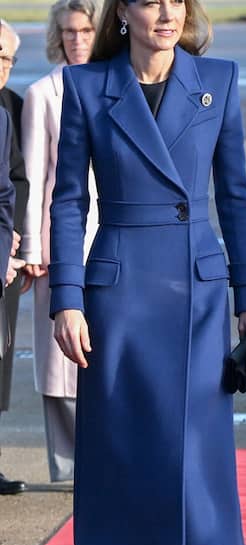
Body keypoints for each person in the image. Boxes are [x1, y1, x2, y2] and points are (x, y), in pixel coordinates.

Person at [49, 0, 246, 545]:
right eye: (150, 1)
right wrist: (67, 298)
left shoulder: (221, 78)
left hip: (198, 299)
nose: (166, 13)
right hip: (118, 301)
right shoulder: (88, 85)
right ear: (124, 11)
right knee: (132, 468)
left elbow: (235, 195)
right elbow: (68, 200)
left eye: (177, 0)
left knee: (193, 471)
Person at [21, 0, 100, 487]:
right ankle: (67, 470)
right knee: (58, 364)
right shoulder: (42, 94)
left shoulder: (116, 85)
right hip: (57, 244)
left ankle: (105, 460)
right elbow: (32, 176)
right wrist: (32, 249)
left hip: (108, 241)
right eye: (69, 31)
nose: (76, 40)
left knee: (103, 352)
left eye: (85, 31)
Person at [0, 18, 28, 496]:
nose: (1, 66)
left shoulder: (7, 111)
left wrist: (7, 246)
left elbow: (11, 188)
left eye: (6, 58)